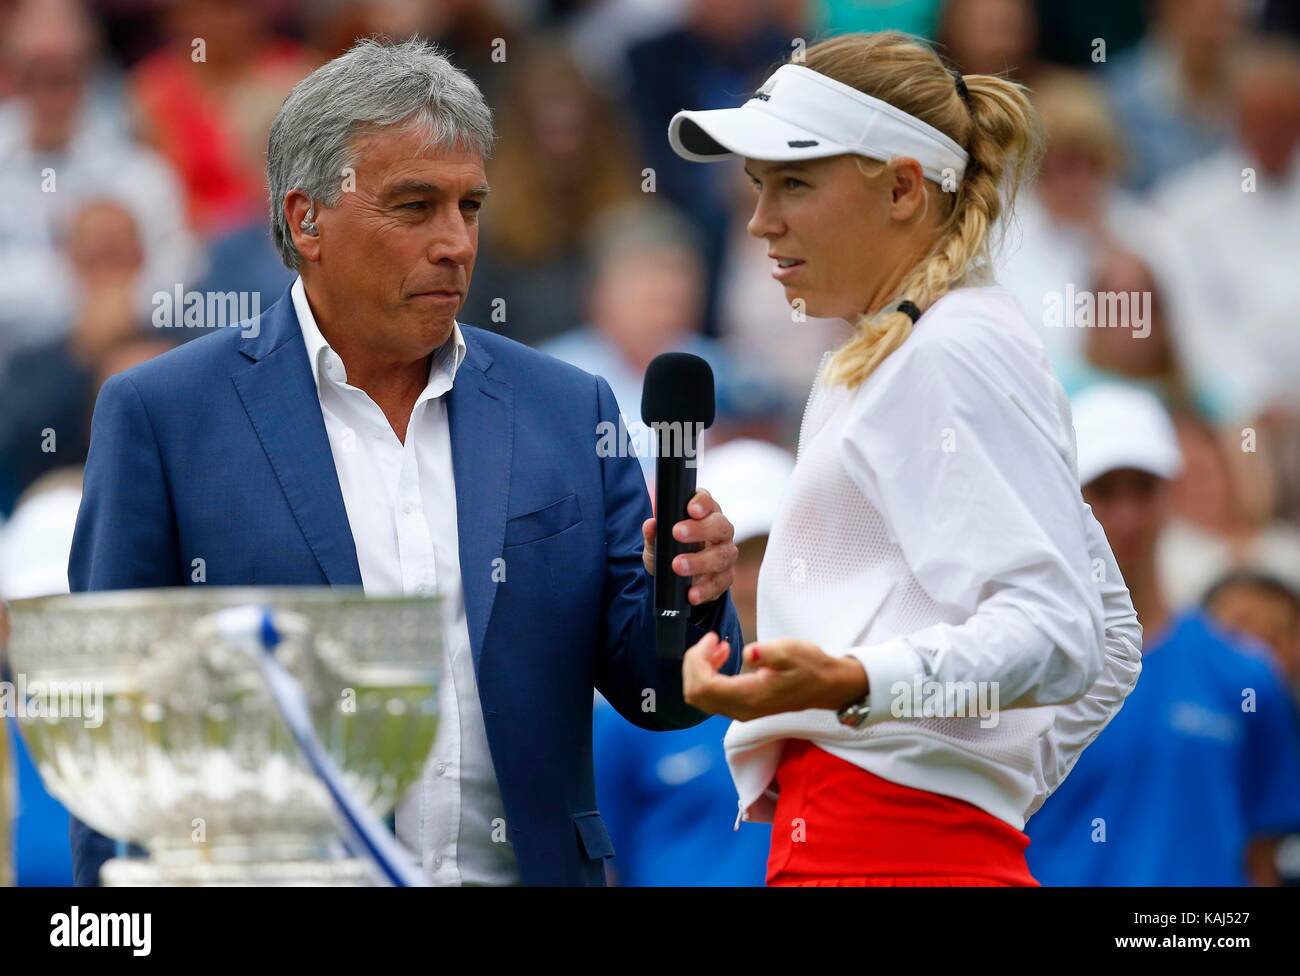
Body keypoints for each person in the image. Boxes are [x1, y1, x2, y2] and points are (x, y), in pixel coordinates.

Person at [67, 37, 744, 887]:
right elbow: (115, 736)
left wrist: (695, 597)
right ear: (307, 219)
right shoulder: (164, 416)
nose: (455, 242)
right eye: (415, 206)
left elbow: (662, 697)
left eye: (469, 206)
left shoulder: (568, 409)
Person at [664, 30, 1141, 886]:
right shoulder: (919, 342)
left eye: (794, 183)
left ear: (904, 189)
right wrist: (969, 782)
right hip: (886, 839)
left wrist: (854, 686)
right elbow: (1105, 641)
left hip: (880, 848)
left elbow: (1059, 635)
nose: (760, 220)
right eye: (756, 185)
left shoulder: (948, 347)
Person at [1024, 385, 1300, 885]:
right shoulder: (1021, 678)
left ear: (1171, 495)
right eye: (1104, 492)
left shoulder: (1244, 675)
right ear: (1067, 500)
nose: (1126, 515)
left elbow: (1262, 861)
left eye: (1143, 489)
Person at [592, 439, 793, 885]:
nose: (758, 579)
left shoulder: (848, 699)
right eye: (743, 554)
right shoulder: (633, 711)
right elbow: (599, 865)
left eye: (772, 553)